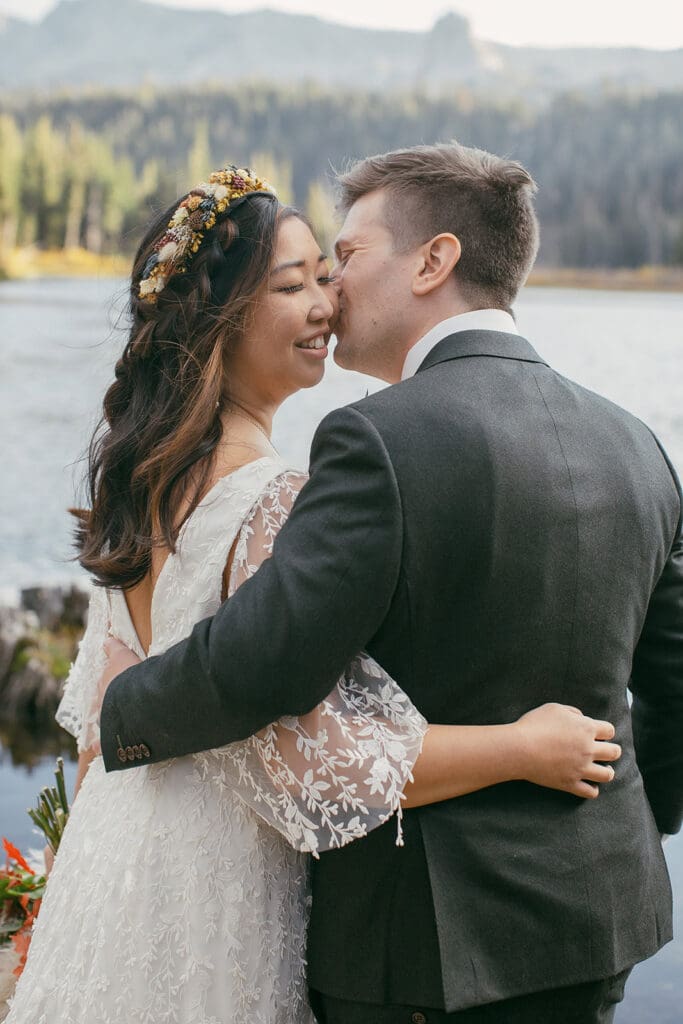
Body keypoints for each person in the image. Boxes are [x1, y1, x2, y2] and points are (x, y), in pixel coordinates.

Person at [5, 165, 618, 1024]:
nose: (326, 302)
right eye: (294, 285)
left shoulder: (139, 484)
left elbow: (99, 728)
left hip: (113, 864)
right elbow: (318, 757)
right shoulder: (268, 497)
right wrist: (522, 747)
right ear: (220, 322)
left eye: (326, 274)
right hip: (211, 885)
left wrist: (73, 883)